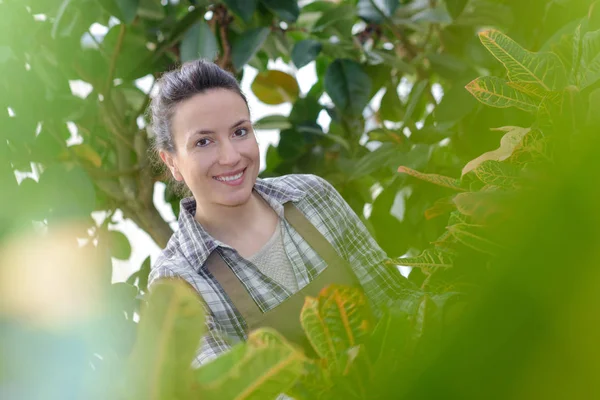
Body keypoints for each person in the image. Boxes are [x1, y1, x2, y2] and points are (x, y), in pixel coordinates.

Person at [147, 59, 412, 367]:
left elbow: (396, 299)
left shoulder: (312, 196)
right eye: (203, 142)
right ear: (172, 162)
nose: (231, 157)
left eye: (240, 131)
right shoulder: (178, 281)